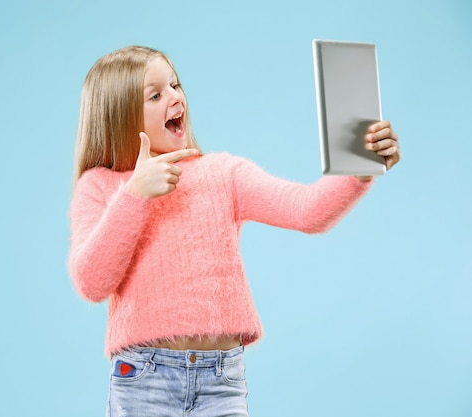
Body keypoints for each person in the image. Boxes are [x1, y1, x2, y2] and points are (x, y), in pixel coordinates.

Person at [68, 45, 400, 417]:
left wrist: (358, 170)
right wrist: (135, 195)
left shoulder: (223, 174)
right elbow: (92, 282)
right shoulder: (101, 186)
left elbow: (306, 210)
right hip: (144, 378)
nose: (176, 98)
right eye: (156, 94)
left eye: (176, 86)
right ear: (119, 116)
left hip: (221, 380)